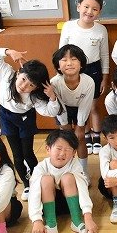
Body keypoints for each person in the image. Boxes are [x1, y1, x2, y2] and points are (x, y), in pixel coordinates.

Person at [0, 47, 60, 201]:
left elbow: (50, 112)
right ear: (18, 72)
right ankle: (27, 184)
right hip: (6, 116)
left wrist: (52, 97)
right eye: (23, 79)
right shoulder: (6, 74)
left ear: (36, 88)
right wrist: (9, 52)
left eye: (31, 85)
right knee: (17, 154)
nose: (24, 86)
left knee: (27, 153)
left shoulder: (34, 97)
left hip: (25, 119)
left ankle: (36, 181)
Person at [59, 0, 109, 155]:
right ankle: (86, 135)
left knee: (93, 106)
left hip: (93, 69)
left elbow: (104, 55)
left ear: (99, 11)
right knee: (82, 106)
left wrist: (104, 78)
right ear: (78, 6)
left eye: (94, 9)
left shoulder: (101, 30)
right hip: (72, 70)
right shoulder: (68, 26)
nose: (89, 11)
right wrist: (63, 72)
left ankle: (97, 136)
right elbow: (61, 52)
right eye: (86, 7)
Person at [28, 129, 97, 233]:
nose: (62, 153)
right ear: (48, 149)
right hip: (48, 206)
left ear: (74, 152)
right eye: (59, 148)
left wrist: (88, 218)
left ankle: (76, 221)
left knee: (68, 177)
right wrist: (36, 220)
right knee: (46, 180)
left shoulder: (75, 165)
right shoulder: (40, 168)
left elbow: (83, 189)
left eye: (68, 149)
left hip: (71, 205)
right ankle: (51, 224)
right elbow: (34, 194)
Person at [50, 44, 94, 178]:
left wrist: (80, 126)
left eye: (74, 59)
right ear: (58, 66)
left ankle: (83, 171)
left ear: (81, 64)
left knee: (80, 138)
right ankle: (67, 169)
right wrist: (65, 125)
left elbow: (85, 106)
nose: (69, 63)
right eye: (64, 60)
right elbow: (59, 106)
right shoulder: (55, 83)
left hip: (80, 108)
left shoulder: (88, 82)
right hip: (62, 109)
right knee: (66, 140)